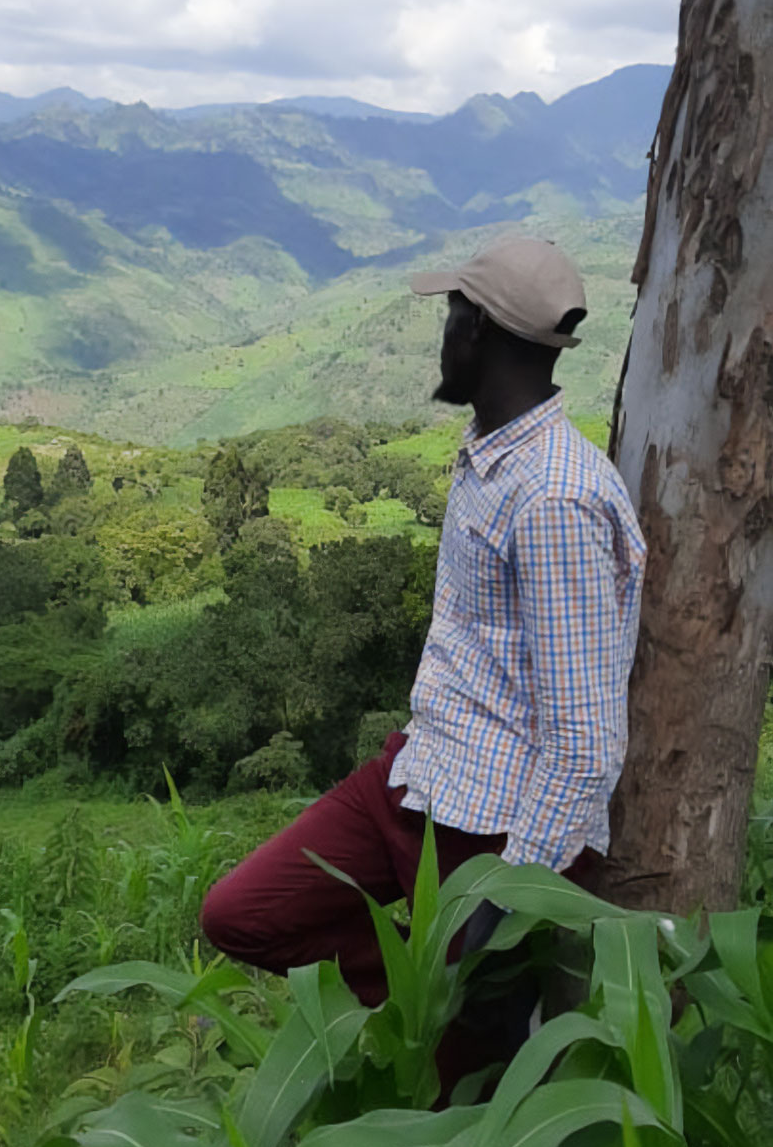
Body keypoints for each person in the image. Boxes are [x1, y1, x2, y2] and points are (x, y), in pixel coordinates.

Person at [201, 235, 646, 1092]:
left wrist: (505, 905)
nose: (442, 332)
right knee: (240, 913)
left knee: (461, 1089)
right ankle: (424, 989)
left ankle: (459, 1046)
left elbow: (586, 740)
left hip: (491, 838)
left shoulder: (554, 496)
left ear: (476, 331)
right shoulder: (494, 454)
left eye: (451, 314)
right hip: (421, 777)